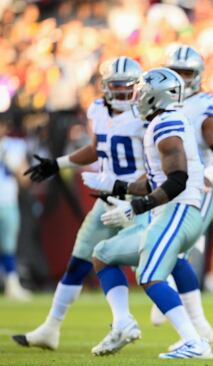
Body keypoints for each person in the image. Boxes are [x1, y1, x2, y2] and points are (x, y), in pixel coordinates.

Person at [13, 56, 146, 350]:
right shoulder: (98, 109)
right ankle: (51, 328)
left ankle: (194, 334)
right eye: (117, 86)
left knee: (157, 265)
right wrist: (59, 164)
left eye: (128, 86)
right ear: (105, 87)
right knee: (80, 260)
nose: (123, 92)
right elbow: (99, 148)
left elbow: (157, 159)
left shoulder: (147, 113)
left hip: (138, 199)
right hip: (107, 199)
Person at [84, 67, 213, 359]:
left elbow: (177, 180)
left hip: (178, 211)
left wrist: (136, 207)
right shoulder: (159, 123)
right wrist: (117, 186)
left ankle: (195, 342)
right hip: (168, 213)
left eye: (142, 91)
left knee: (151, 274)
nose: (137, 97)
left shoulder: (167, 123)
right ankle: (123, 323)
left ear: (157, 95)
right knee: (104, 254)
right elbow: (155, 180)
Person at [145, 44, 213, 350]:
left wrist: (210, 175)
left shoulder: (206, 104)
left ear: (197, 76)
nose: (182, 79)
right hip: (163, 184)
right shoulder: (152, 101)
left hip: (199, 185)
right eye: (176, 73)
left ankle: (194, 324)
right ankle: (195, 323)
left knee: (174, 249)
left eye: (187, 73)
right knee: (159, 246)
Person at [0, 120, 32, 300]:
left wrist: (13, 164)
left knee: (8, 246)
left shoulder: (15, 146)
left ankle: (12, 285)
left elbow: (26, 180)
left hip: (7, 201)